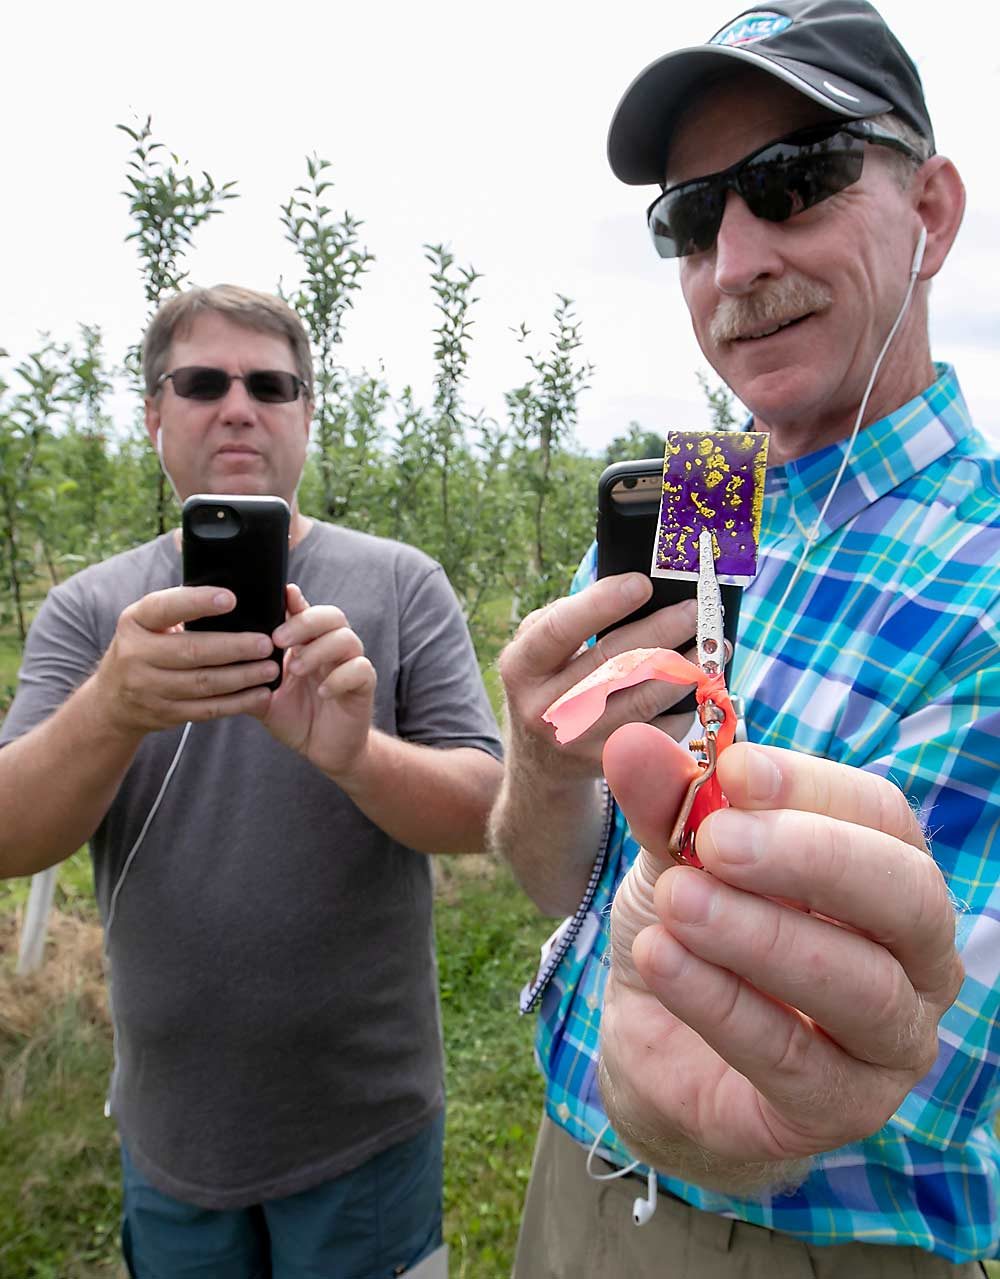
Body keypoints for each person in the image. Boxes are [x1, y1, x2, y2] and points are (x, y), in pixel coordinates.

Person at [490, 2, 999, 1275]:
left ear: (929, 213)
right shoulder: (699, 503)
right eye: (691, 218)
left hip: (810, 1240)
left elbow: (911, 1076)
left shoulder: (985, 572)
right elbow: (574, 882)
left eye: (793, 180)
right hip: (567, 1181)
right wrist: (541, 767)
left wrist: (709, 1108)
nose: (734, 261)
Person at [0, 284, 503, 1279]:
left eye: (271, 384)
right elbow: (12, 839)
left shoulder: (401, 584)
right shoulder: (87, 609)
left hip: (366, 1120)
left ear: (308, 413)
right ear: (153, 412)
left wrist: (355, 755)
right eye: (202, 382)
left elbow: (482, 810)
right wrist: (114, 705)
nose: (238, 405)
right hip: (173, 1128)